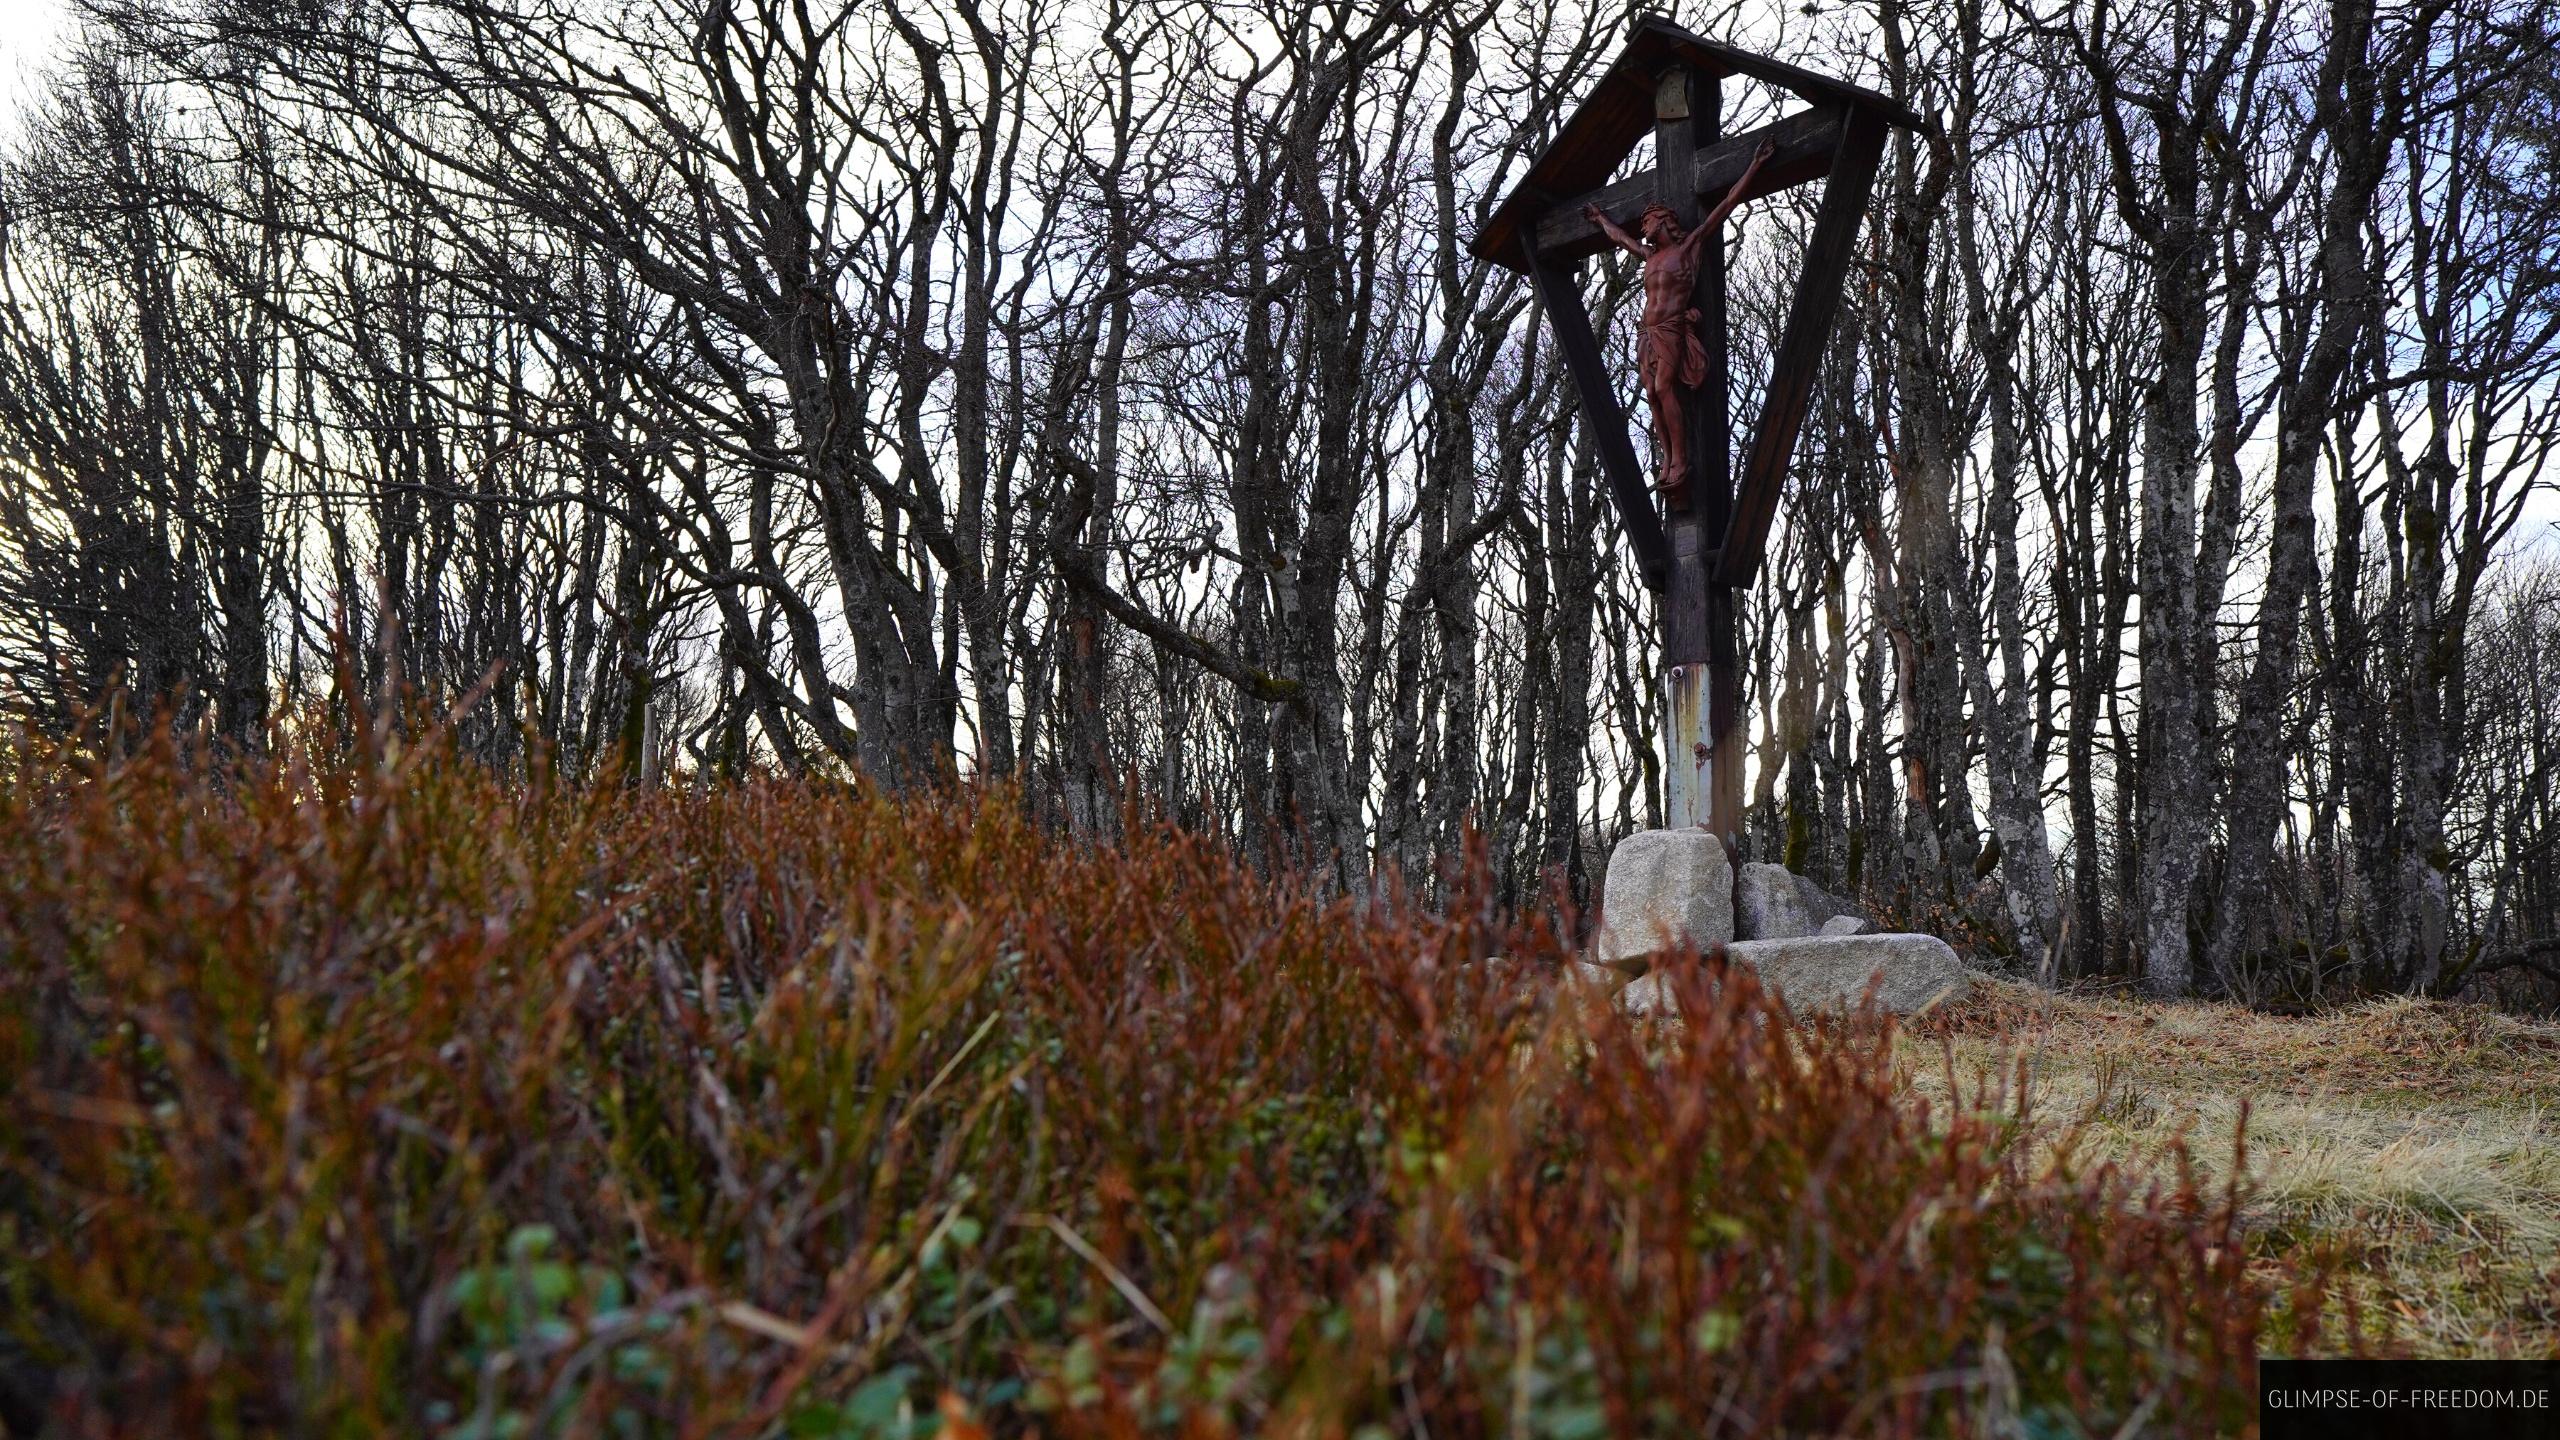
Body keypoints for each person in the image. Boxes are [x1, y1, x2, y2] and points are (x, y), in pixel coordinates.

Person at [1586, 137, 1776, 505]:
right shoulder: (1648, 256)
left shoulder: (1688, 247)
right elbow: (1620, 238)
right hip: (1647, 331)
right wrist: (1600, 220)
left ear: (1663, 221)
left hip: (1671, 327)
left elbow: (1726, 204)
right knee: (1651, 394)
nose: (1643, 227)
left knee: (1663, 388)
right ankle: (1667, 456)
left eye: (1648, 221)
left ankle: (1680, 458)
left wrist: (1755, 165)